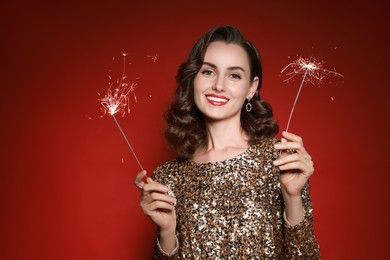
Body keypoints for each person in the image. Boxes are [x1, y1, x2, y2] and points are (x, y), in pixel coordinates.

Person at [134, 25, 320, 259]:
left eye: (234, 75)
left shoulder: (280, 160)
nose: (219, 85)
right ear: (193, 80)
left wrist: (292, 197)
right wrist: (166, 233)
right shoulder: (168, 178)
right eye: (208, 72)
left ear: (251, 88)